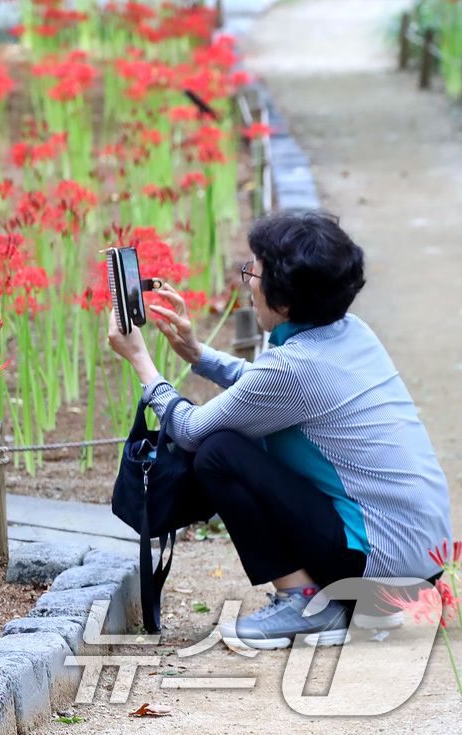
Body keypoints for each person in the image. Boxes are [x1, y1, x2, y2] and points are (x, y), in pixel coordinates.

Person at [107, 209, 452, 649]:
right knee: (232, 445)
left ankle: (307, 603)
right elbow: (267, 385)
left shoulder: (294, 368)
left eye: (255, 272)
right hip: (422, 561)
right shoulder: (352, 333)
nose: (248, 280)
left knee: (218, 453)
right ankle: (345, 606)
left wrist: (142, 362)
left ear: (285, 302)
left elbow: (191, 430)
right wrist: (198, 353)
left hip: (375, 569)